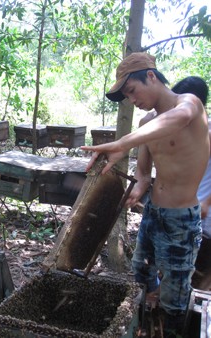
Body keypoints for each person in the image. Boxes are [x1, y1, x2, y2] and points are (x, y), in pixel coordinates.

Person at [81, 53, 209, 337]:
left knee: (175, 296)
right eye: (126, 95)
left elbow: (179, 118)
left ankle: (171, 326)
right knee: (140, 270)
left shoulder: (189, 104)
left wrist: (123, 142)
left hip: (181, 219)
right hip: (153, 213)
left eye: (131, 90)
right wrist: (138, 188)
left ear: (151, 76)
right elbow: (143, 172)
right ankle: (146, 321)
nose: (131, 99)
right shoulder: (146, 122)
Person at [171, 76, 211, 290]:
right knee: (181, 276)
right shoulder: (184, 132)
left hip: (207, 220)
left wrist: (206, 202)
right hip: (188, 217)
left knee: (200, 280)